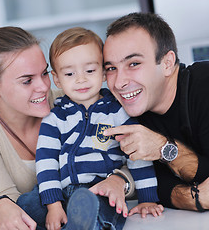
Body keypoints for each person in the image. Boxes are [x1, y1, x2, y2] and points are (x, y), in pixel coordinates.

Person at [0, 26, 133, 230]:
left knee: (91, 206)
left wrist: (120, 179)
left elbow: (129, 155)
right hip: (42, 217)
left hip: (89, 204)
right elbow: (5, 197)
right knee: (23, 207)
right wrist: (2, 205)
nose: (44, 87)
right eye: (27, 80)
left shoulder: (73, 101)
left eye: (44, 73)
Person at [33, 27, 163, 230]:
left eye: (90, 70)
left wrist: (147, 199)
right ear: (56, 79)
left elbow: (136, 154)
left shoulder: (117, 112)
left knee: (98, 208)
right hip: (62, 192)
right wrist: (53, 205)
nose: (81, 79)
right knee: (28, 203)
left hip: (100, 189)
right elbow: (46, 162)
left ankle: (82, 225)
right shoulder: (54, 118)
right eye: (69, 73)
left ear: (103, 72)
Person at [103, 12, 209, 212]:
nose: (119, 82)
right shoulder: (125, 113)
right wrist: (192, 198)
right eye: (110, 68)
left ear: (167, 63)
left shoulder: (204, 84)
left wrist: (163, 148)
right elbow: (158, 185)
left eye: (133, 64)